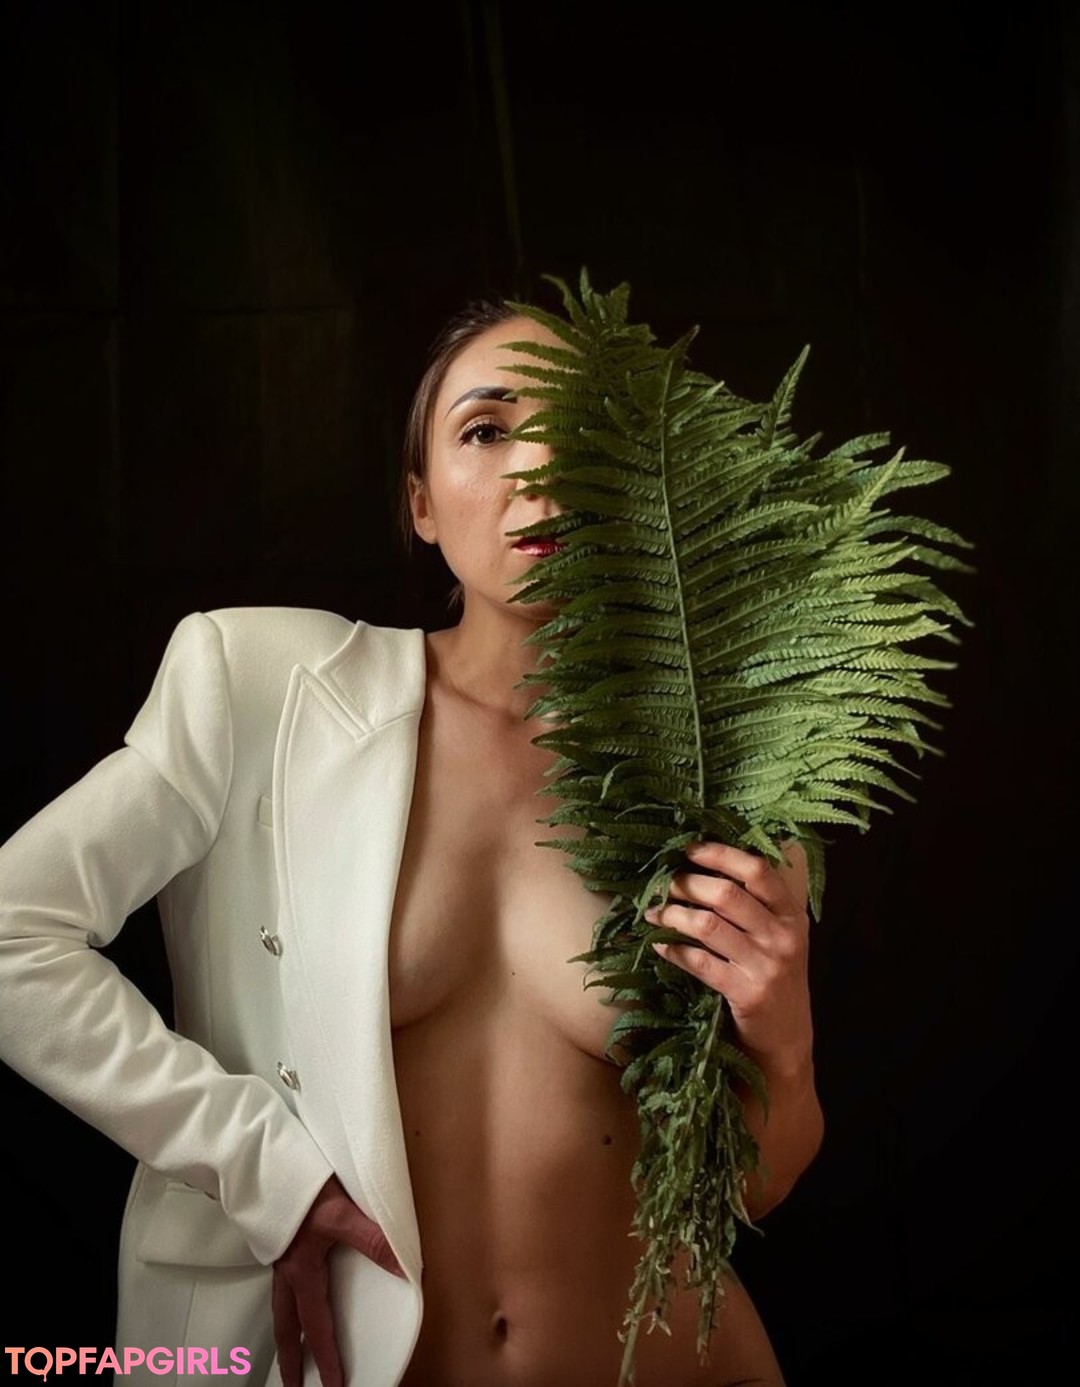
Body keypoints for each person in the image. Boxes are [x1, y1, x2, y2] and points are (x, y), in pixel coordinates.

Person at [0, 297, 823, 1387]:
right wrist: (258, 1165)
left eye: (580, 433)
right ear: (421, 502)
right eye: (487, 428)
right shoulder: (265, 691)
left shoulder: (710, 779)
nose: (539, 465)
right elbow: (12, 933)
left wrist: (784, 1037)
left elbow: (750, 1186)